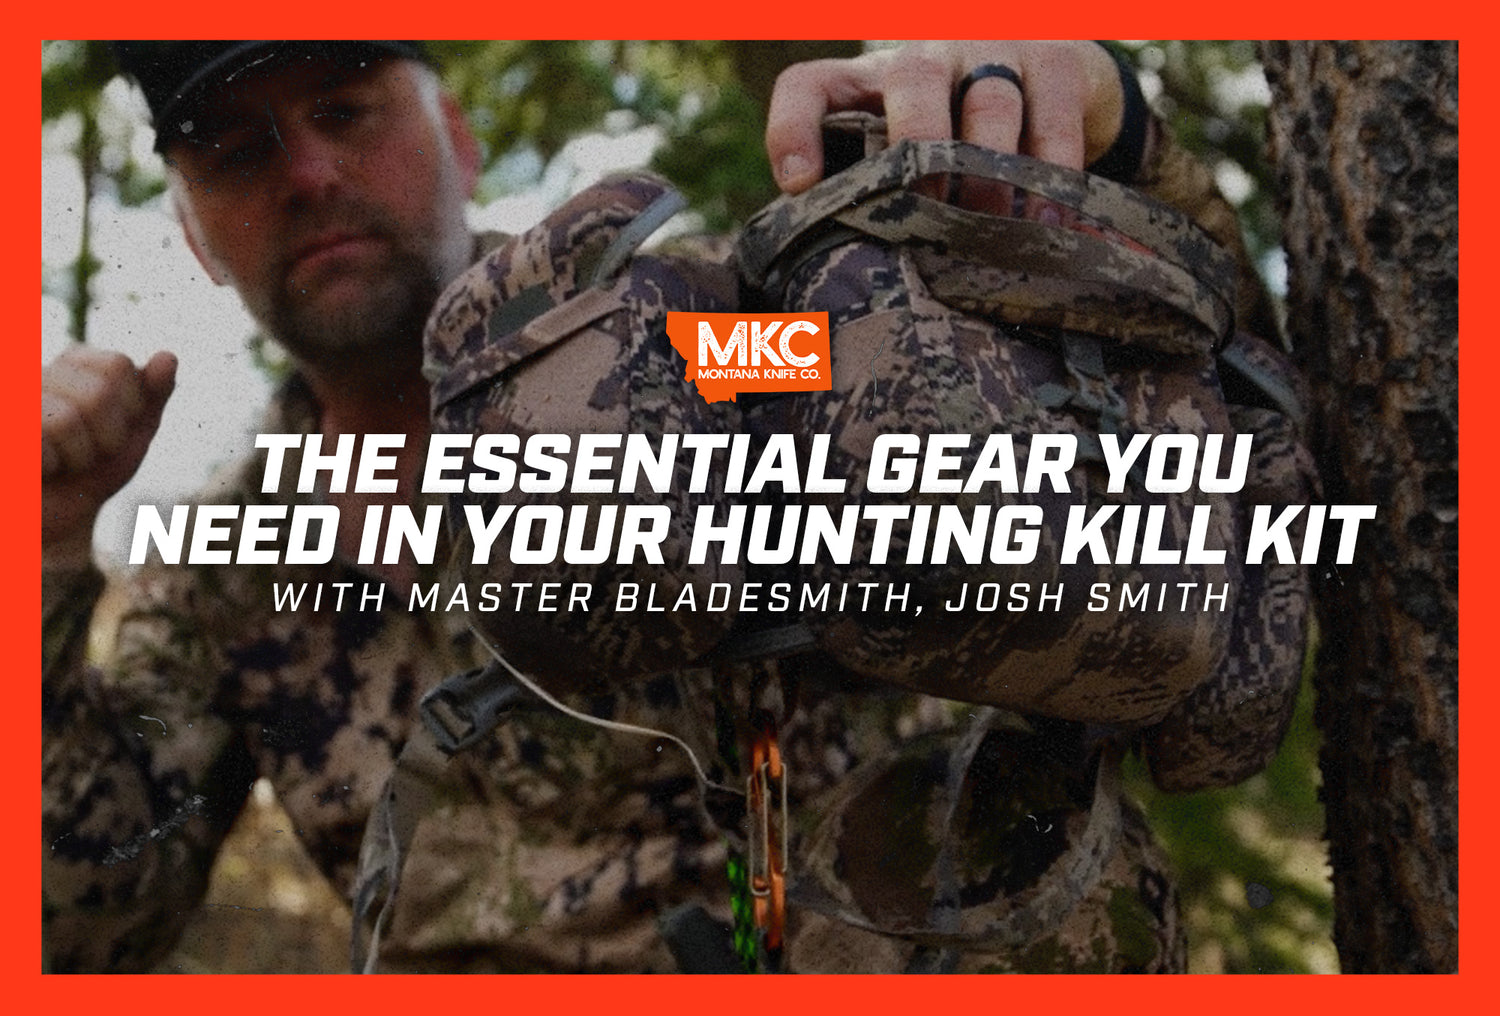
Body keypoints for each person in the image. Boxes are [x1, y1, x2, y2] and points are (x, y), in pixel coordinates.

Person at [42, 40, 1271, 973]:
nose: (309, 173)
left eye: (344, 109)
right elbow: (85, 917)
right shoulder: (221, 573)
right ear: (196, 236)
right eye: (238, 150)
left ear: (459, 138)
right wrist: (39, 552)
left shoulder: (713, 343)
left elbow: (1209, 398)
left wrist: (1110, 132)